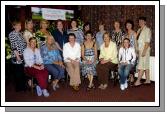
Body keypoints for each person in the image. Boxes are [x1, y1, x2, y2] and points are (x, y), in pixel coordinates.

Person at [8, 20, 27, 92]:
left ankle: (23, 86)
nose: (19, 26)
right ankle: (19, 88)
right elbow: (14, 46)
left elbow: (24, 44)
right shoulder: (12, 34)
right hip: (16, 56)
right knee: (18, 72)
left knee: (21, 72)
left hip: (22, 55)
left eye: (20, 25)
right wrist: (18, 56)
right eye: (17, 25)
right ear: (14, 26)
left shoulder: (20, 33)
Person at [134, 17, 152, 86]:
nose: (140, 22)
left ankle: (138, 81)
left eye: (142, 21)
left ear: (145, 22)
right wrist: (137, 50)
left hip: (145, 50)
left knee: (141, 66)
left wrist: (144, 52)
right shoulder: (139, 30)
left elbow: (147, 42)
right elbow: (137, 41)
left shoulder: (147, 30)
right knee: (146, 65)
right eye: (139, 21)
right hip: (140, 50)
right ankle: (148, 80)